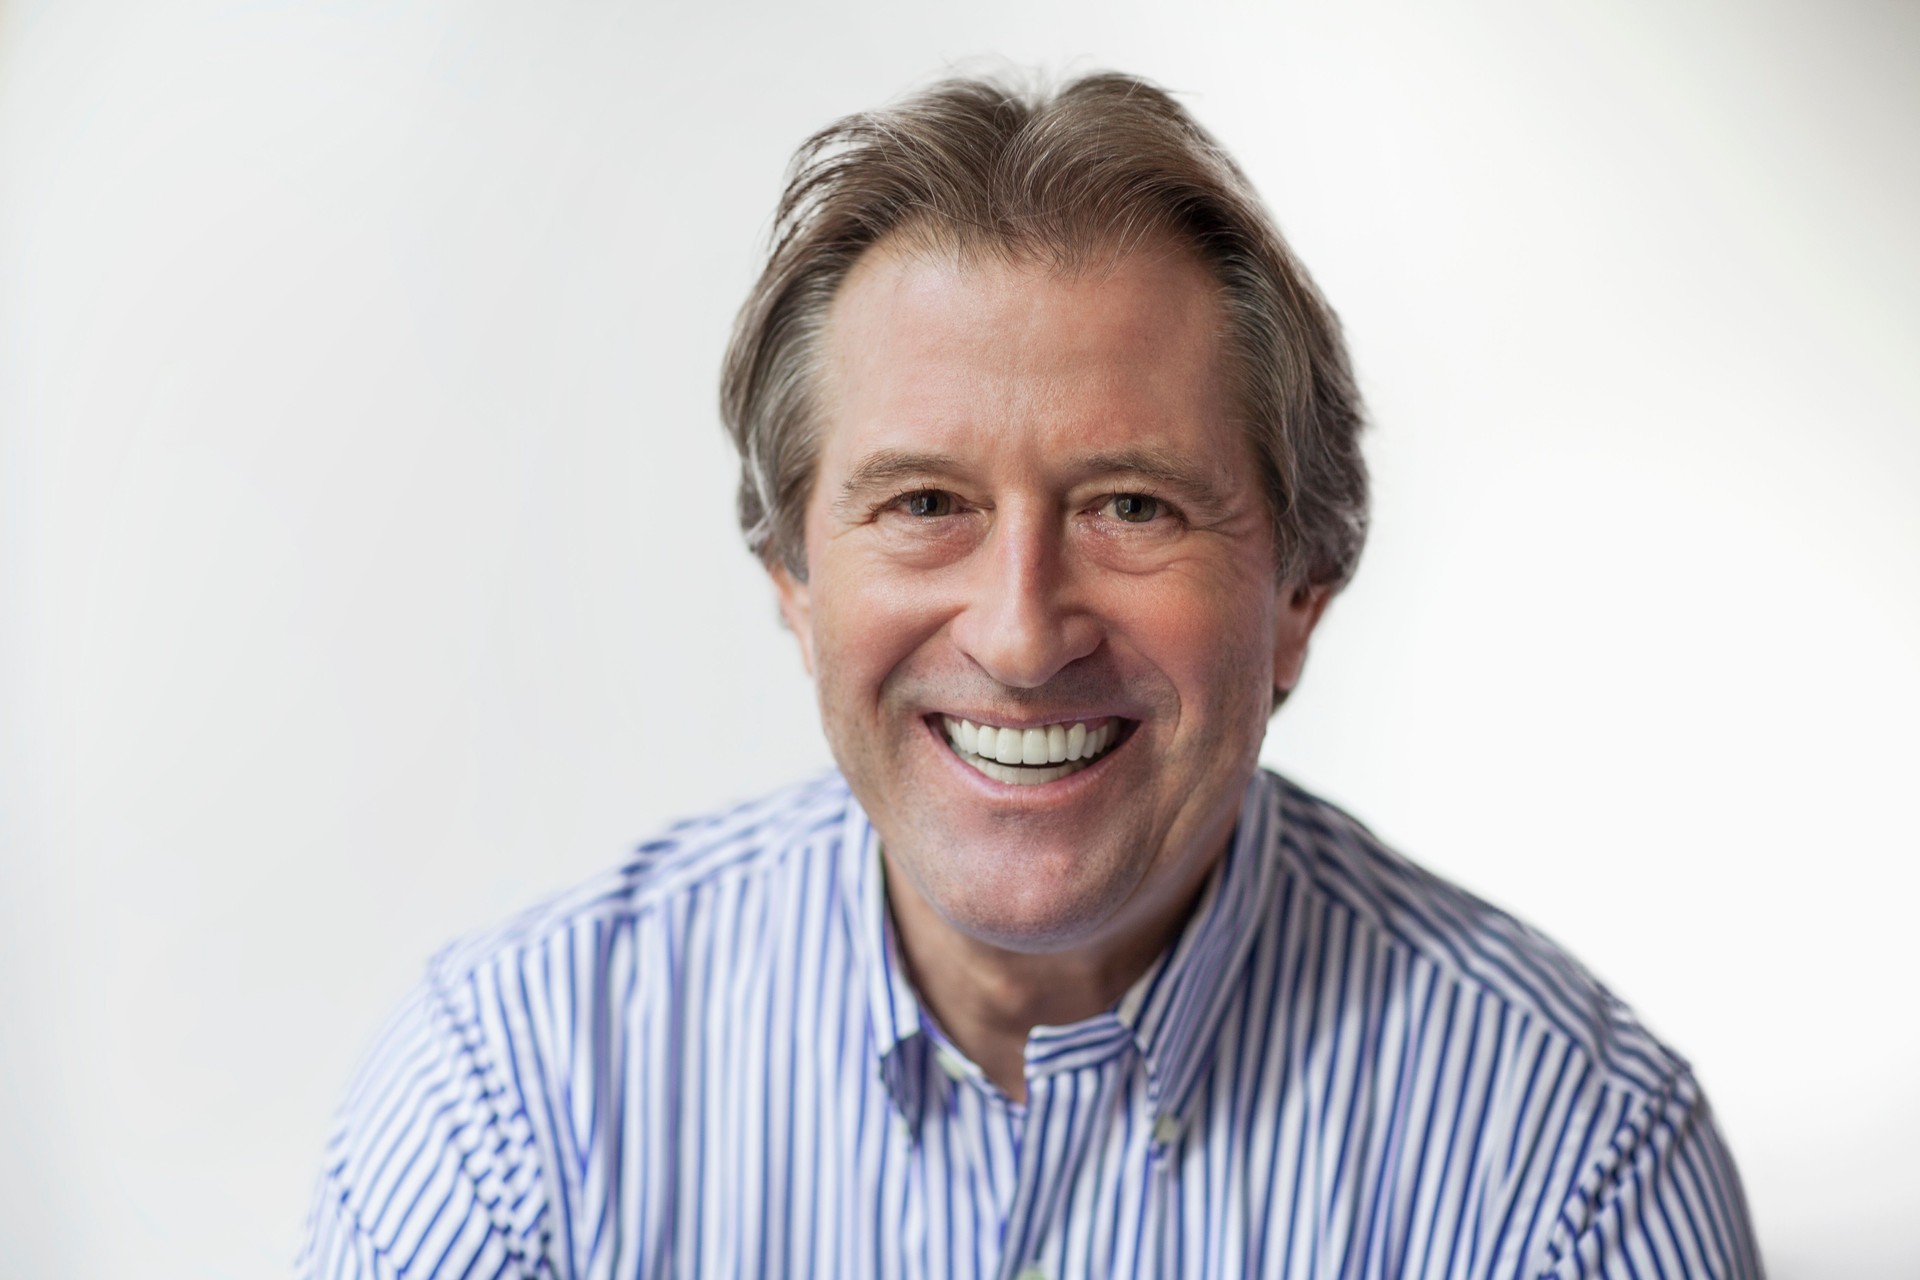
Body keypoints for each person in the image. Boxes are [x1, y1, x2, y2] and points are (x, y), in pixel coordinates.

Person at [300, 72, 1761, 1278]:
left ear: (1300, 594)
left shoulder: (1570, 1169)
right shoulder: (515, 1103)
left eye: (1132, 505)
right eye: (925, 503)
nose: (1018, 632)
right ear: (794, 587)